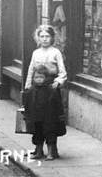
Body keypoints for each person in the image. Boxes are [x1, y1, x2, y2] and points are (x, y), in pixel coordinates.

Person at [25, 25, 68, 159]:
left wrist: (58, 82)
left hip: (50, 91)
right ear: (38, 38)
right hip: (37, 92)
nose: (44, 39)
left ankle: (52, 149)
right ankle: (38, 149)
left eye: (47, 36)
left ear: (52, 38)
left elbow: (63, 72)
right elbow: (31, 70)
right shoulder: (36, 53)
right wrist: (28, 87)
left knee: (50, 121)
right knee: (37, 120)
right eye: (42, 36)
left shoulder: (56, 52)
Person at [22, 64, 66, 161]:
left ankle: (50, 153)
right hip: (36, 117)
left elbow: (58, 104)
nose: (38, 79)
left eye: (41, 77)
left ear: (46, 78)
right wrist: (27, 115)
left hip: (49, 117)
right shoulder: (31, 91)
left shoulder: (51, 90)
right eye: (36, 77)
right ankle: (38, 151)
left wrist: (60, 115)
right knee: (37, 135)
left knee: (50, 134)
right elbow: (27, 104)